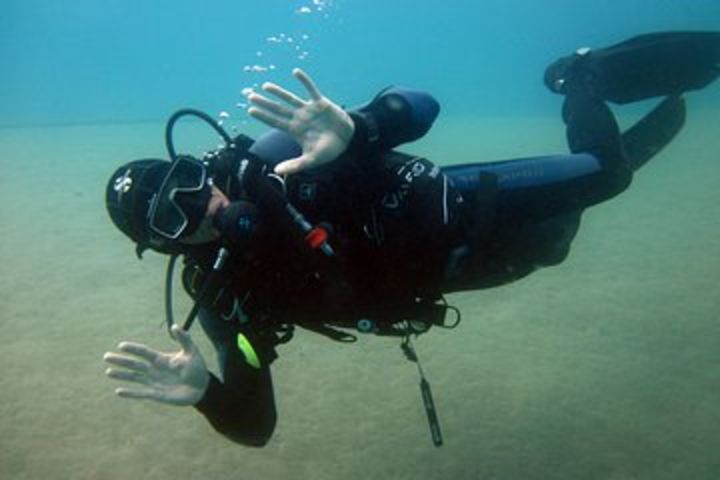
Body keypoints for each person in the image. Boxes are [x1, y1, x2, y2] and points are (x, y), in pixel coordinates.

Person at [103, 31, 720, 447]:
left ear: (197, 165)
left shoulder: (269, 161)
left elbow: (424, 107)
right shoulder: (227, 298)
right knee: (552, 244)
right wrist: (208, 393)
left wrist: (361, 128)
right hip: (450, 275)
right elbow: (255, 425)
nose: (202, 206)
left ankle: (583, 77)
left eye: (188, 182)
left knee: (606, 178)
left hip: (452, 205)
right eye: (173, 219)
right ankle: (607, 164)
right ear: (165, 246)